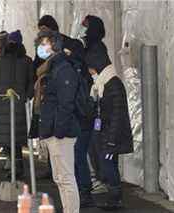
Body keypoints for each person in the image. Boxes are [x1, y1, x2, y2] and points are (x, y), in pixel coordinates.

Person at [35, 29, 80, 213]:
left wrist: (58, 131)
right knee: (60, 178)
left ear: (54, 45)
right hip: (54, 131)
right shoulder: (53, 67)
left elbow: (66, 103)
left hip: (61, 133)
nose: (40, 47)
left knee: (66, 178)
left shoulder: (63, 68)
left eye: (44, 43)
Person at [85, 41, 133, 211]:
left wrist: (112, 141)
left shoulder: (113, 85)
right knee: (106, 166)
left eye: (90, 67)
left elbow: (118, 115)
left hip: (111, 136)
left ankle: (115, 198)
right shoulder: (101, 85)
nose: (89, 71)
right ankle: (113, 197)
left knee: (109, 167)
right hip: (104, 134)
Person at [0, 30, 34, 178]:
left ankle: (16, 169)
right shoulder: (19, 60)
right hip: (11, 104)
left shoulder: (4, 60)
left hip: (10, 104)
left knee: (12, 138)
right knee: (13, 139)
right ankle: (16, 168)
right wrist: (26, 96)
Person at [75, 15, 110, 208]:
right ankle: (95, 182)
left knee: (89, 148)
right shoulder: (89, 49)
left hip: (92, 110)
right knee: (87, 148)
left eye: (84, 26)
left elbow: (96, 81)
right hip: (89, 109)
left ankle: (97, 183)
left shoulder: (95, 51)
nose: (81, 29)